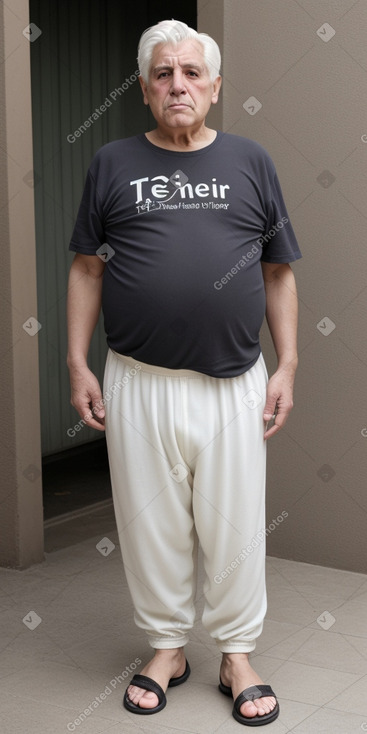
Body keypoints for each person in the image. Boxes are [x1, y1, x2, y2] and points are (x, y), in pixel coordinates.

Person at [67, 19, 301, 727]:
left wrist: (286, 363)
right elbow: (85, 267)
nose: (178, 85)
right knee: (151, 525)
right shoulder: (111, 163)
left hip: (233, 381)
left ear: (215, 86)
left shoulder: (250, 161)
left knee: (230, 526)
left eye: (192, 73)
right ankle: (167, 648)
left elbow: (276, 270)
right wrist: (78, 362)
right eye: (163, 74)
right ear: (143, 89)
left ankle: (235, 654)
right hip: (136, 378)